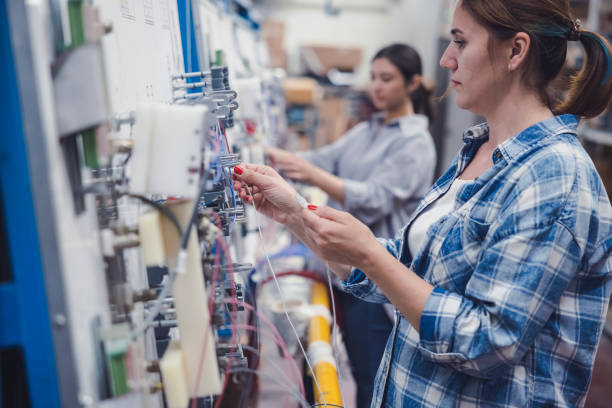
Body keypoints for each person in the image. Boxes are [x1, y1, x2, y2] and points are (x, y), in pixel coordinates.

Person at [233, 0, 612, 406]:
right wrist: (293, 213)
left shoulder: (552, 175)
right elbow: (405, 266)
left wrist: (369, 253)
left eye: (460, 43)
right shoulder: (480, 150)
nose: (447, 60)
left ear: (516, 51)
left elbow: (486, 342)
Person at [265, 43, 437, 407]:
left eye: (387, 78)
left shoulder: (416, 142)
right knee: (347, 365)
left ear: (412, 83)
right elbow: (320, 159)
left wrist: (313, 174)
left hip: (377, 280)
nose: (376, 86)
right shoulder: (367, 129)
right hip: (344, 269)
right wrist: (267, 159)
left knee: (371, 378)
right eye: (373, 77)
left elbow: (373, 198)